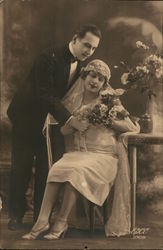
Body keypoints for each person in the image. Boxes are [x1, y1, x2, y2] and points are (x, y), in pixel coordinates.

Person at [22, 59, 140, 240]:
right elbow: (62, 130)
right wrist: (77, 125)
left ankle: (61, 222)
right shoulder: (73, 100)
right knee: (56, 169)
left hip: (104, 157)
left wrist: (109, 121)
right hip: (78, 154)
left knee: (75, 172)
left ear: (104, 84)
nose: (95, 81)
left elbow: (131, 127)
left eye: (100, 79)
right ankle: (42, 221)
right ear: (84, 76)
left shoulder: (109, 100)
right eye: (92, 76)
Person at [7, 24, 102, 230]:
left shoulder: (83, 68)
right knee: (21, 167)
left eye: (93, 48)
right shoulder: (48, 57)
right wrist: (71, 120)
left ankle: (40, 219)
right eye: (87, 45)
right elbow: (44, 95)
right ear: (75, 38)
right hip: (27, 117)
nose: (89, 51)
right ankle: (15, 216)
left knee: (46, 169)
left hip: (51, 122)